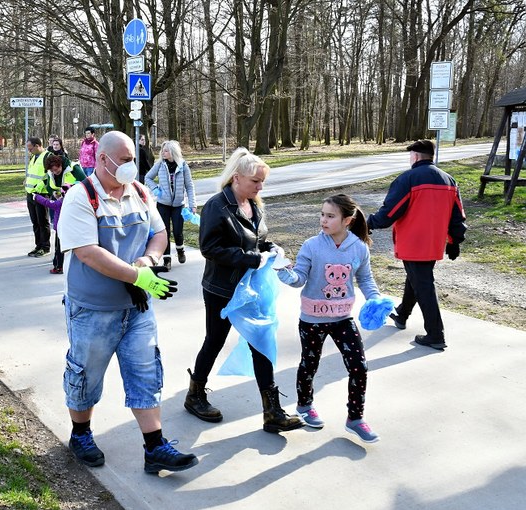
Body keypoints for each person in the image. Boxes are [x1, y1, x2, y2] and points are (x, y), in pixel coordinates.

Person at [57, 130, 198, 474]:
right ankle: (81, 434)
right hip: (93, 309)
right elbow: (88, 253)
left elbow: (159, 234)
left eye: (133, 159)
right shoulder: (80, 197)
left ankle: (155, 448)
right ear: (102, 159)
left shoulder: (140, 192)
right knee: (85, 375)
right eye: (125, 160)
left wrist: (147, 261)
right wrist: (136, 277)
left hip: (136, 308)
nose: (131, 166)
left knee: (146, 372)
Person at [185, 147, 303, 433]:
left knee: (261, 344)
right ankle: (194, 395)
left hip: (251, 288)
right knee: (215, 340)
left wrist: (270, 249)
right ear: (237, 178)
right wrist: (252, 258)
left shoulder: (255, 204)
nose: (260, 187)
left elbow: (257, 240)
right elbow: (209, 248)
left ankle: (271, 411)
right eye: (255, 182)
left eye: (263, 182)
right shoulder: (217, 206)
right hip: (222, 290)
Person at [276, 194, 382, 443]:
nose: (323, 220)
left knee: (359, 367)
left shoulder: (359, 247)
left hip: (343, 317)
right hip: (312, 318)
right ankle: (304, 406)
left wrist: (375, 299)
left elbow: (365, 278)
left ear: (347, 220)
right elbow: (300, 276)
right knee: (309, 364)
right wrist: (288, 276)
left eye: (330, 216)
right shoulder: (311, 245)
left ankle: (355, 418)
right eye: (322, 214)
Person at [367, 140, 467, 351]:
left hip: (412, 243)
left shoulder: (408, 179)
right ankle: (402, 314)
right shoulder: (449, 180)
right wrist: (455, 240)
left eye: (410, 155)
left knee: (424, 285)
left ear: (415, 156)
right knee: (416, 278)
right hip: (433, 243)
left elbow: (390, 212)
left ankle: (435, 334)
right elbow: (457, 215)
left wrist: (369, 223)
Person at [144, 140, 196, 269]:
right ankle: (167, 259)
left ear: (173, 152)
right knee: (164, 232)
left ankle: (180, 250)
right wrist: (155, 189)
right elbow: (148, 178)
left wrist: (192, 204)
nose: (163, 152)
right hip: (163, 204)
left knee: (178, 231)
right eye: (163, 150)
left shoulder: (183, 166)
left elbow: (189, 186)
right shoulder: (160, 164)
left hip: (179, 205)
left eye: (166, 150)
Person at [23, 137, 51, 257]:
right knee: (35, 222)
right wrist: (26, 180)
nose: (29, 151)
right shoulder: (34, 157)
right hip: (30, 193)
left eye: (30, 148)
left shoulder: (47, 156)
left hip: (41, 194)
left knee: (42, 221)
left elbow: (50, 175)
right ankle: (38, 245)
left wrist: (39, 186)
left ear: (37, 145)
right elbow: (32, 172)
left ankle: (45, 247)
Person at [35, 183, 71, 274]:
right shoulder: (71, 201)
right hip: (69, 228)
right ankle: (66, 265)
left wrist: (36, 197)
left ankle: (59, 267)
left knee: (59, 249)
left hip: (60, 229)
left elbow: (47, 203)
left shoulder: (60, 203)